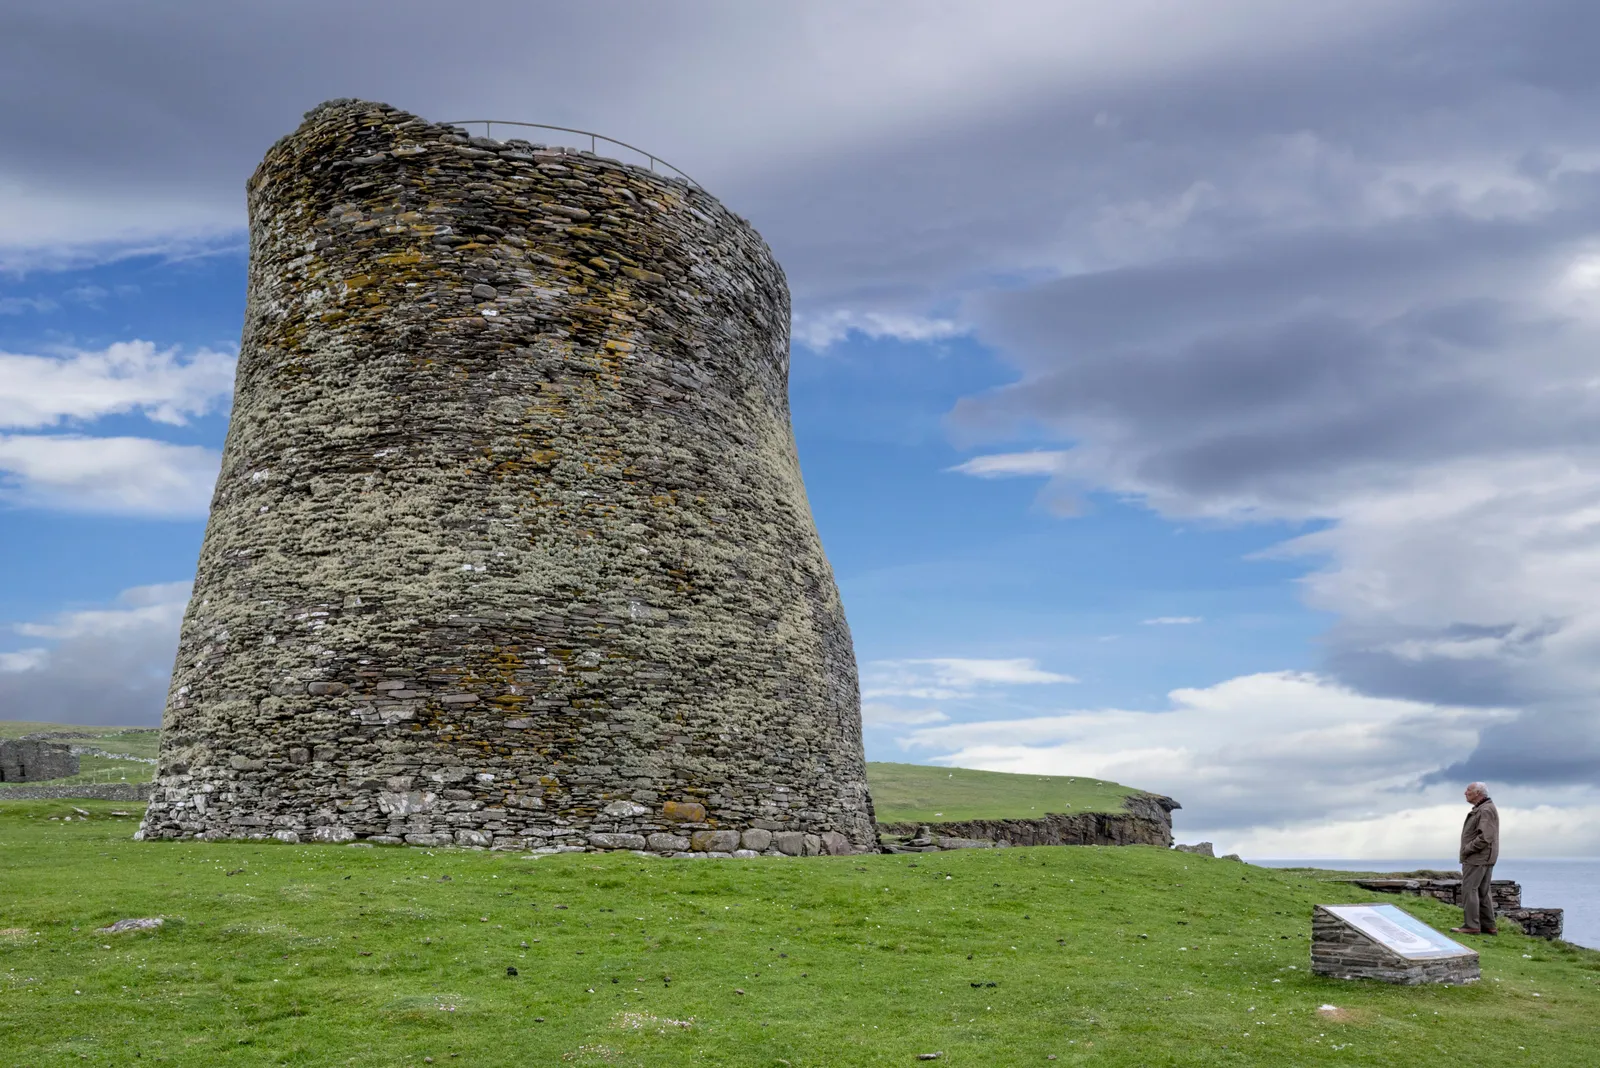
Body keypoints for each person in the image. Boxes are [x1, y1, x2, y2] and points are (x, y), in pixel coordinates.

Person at [1451, 782, 1500, 935]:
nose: (1465, 793)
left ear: (1478, 792)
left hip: (1478, 857)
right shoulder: (1485, 808)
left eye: (1468, 790)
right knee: (1482, 891)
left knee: (1469, 890)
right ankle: (1488, 926)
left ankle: (1471, 926)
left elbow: (1486, 837)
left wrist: (1467, 849)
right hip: (1484, 857)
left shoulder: (1485, 810)